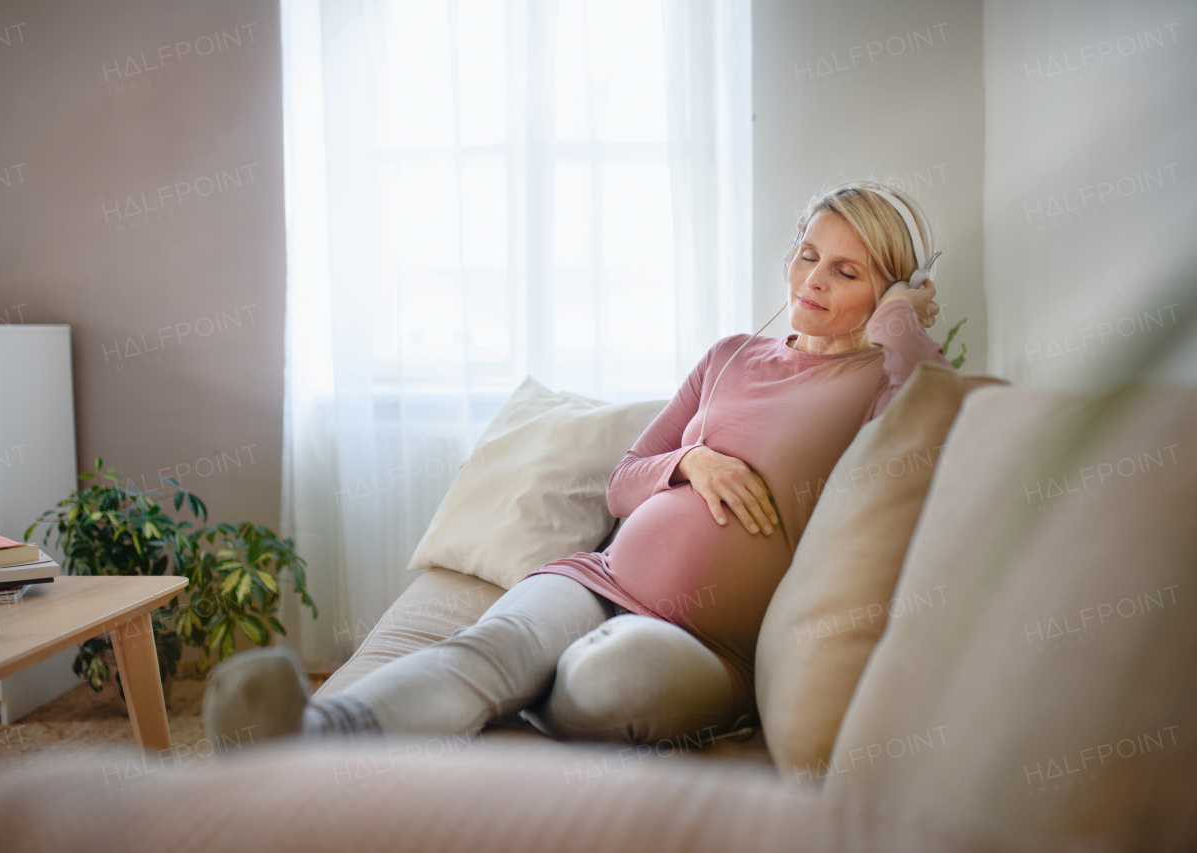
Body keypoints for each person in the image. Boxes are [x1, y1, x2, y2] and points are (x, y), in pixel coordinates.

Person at [203, 180, 954, 749]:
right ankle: (308, 734)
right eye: (808, 254)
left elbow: (934, 392)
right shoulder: (730, 356)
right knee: (489, 646)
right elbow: (624, 480)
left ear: (886, 294)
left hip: (709, 644)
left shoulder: (880, 387)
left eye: (847, 272)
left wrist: (903, 315)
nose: (813, 280)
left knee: (605, 678)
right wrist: (691, 461)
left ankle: (531, 691)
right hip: (603, 579)